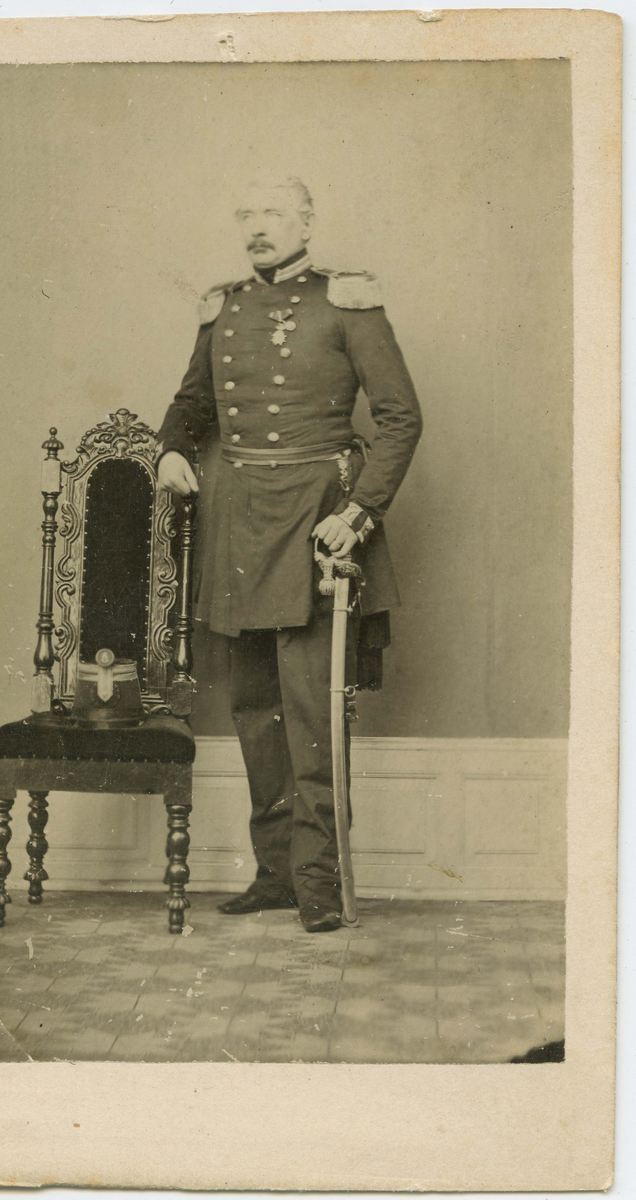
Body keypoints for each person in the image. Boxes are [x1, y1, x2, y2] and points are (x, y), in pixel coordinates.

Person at [156, 176, 422, 932]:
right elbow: (191, 403)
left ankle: (318, 883)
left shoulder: (346, 302)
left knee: (310, 707)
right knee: (253, 706)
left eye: (272, 212)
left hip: (316, 518)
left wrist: (358, 512)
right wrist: (170, 447)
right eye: (246, 213)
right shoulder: (224, 306)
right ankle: (274, 874)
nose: (257, 226)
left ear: (306, 222)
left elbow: (401, 416)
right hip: (238, 518)